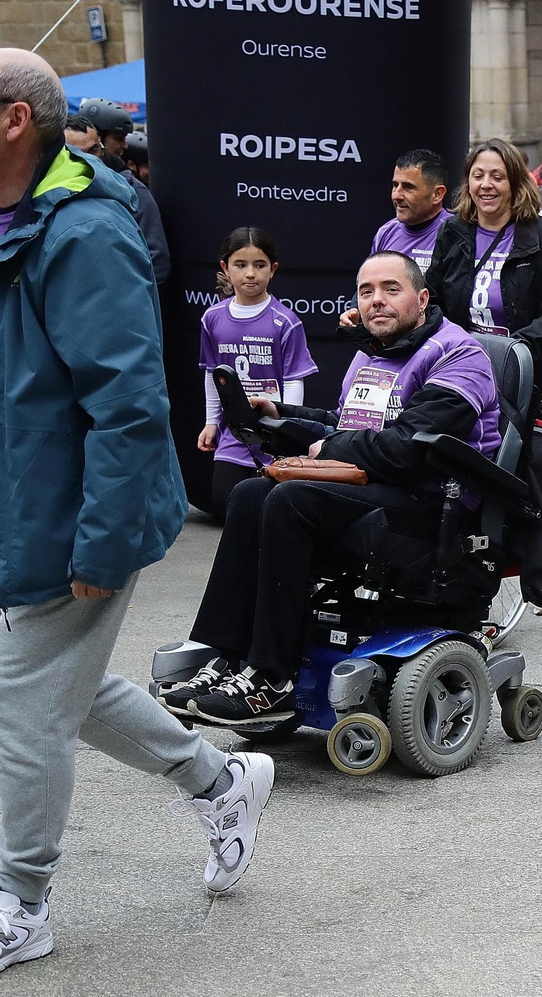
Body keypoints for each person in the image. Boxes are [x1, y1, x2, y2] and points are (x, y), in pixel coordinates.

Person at [0, 49, 274, 972]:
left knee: (23, 703)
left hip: (71, 511)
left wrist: (106, 540)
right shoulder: (17, 216)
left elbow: (126, 401)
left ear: (13, 122)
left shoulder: (83, 231)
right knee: (53, 685)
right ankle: (220, 778)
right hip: (18, 495)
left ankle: (20, 899)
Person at [166, 251, 503, 725]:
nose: (376, 301)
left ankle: (272, 679)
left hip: (433, 502)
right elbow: (346, 427)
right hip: (369, 485)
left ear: (422, 298)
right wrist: (280, 417)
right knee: (249, 493)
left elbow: (408, 448)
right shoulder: (372, 354)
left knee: (291, 499)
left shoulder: (460, 355)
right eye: (366, 291)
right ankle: (225, 654)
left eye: (391, 289)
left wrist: (330, 445)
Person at [424, 138, 542, 420]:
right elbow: (433, 299)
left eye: (498, 177)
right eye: (478, 176)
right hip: (465, 376)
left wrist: (508, 354)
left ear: (515, 183)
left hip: (533, 379)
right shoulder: (451, 232)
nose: (486, 185)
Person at [198, 227, 317, 518]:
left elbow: (293, 379)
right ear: (225, 268)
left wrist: (289, 429)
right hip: (232, 435)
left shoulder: (285, 322)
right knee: (224, 503)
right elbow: (213, 374)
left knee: (266, 511)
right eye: (241, 265)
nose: (250, 274)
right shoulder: (212, 318)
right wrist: (210, 422)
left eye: (259, 265)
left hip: (271, 435)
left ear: (273, 270)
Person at [62, 112, 170, 286]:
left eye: (93, 150)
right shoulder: (39, 191)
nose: (87, 160)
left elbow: (156, 260)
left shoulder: (130, 192)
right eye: (75, 154)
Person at [370, 148, 452, 272]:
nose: (396, 195)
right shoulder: (386, 233)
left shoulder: (456, 235)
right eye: (395, 185)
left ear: (437, 194)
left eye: (408, 187)